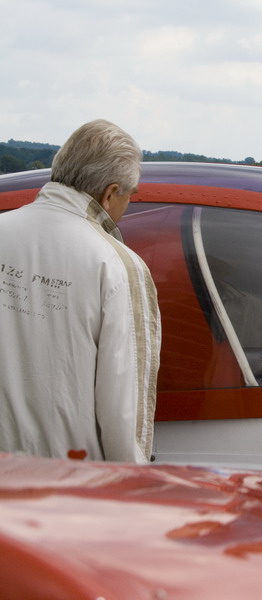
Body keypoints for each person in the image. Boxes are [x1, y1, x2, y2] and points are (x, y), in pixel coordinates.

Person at [0, 119, 160, 462]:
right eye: (129, 196)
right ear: (110, 193)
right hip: (68, 487)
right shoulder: (117, 266)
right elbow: (123, 413)